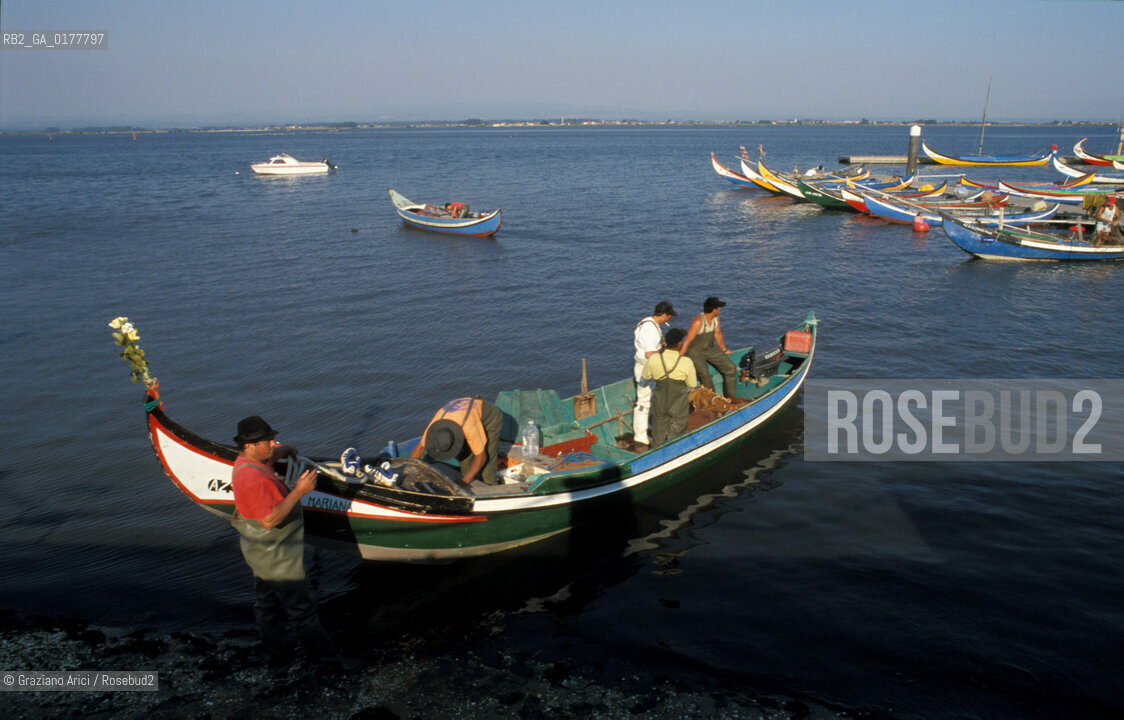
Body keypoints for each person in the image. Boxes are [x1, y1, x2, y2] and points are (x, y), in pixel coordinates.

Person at [229, 415, 356, 671]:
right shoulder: (254, 479)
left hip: (258, 553)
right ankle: (331, 664)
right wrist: (299, 491)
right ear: (251, 445)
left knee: (267, 603)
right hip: (278, 556)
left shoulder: (244, 464)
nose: (273, 443)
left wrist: (281, 453)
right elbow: (268, 520)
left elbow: (265, 466)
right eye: (268, 441)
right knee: (303, 611)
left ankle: (277, 655)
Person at [410, 396, 503, 486]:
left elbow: (481, 456)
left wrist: (465, 481)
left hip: (489, 417)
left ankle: (491, 484)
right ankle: (472, 477)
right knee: (464, 456)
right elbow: (420, 448)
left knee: (488, 459)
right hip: (463, 410)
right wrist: (410, 470)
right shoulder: (434, 427)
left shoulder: (470, 428)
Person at [641, 327, 698, 445]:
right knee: (676, 435)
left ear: (665, 344)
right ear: (680, 344)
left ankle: (656, 452)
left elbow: (646, 376)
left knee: (658, 435)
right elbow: (692, 384)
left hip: (660, 404)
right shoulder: (686, 362)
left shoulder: (654, 358)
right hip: (679, 406)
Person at [632, 301, 676, 448]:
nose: (668, 320)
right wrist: (663, 351)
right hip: (647, 369)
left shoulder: (645, 322)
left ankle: (646, 429)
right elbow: (649, 353)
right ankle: (641, 437)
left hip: (644, 366)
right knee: (644, 402)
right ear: (663, 315)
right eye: (668, 316)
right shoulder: (651, 330)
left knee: (649, 400)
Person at [681, 296, 738, 400]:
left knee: (731, 368)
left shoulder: (716, 318)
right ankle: (713, 401)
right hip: (695, 351)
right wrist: (679, 358)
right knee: (705, 375)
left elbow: (717, 334)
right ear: (714, 309)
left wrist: (724, 349)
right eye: (719, 307)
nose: (720, 309)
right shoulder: (698, 321)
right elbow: (688, 341)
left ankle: (730, 398)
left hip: (711, 348)